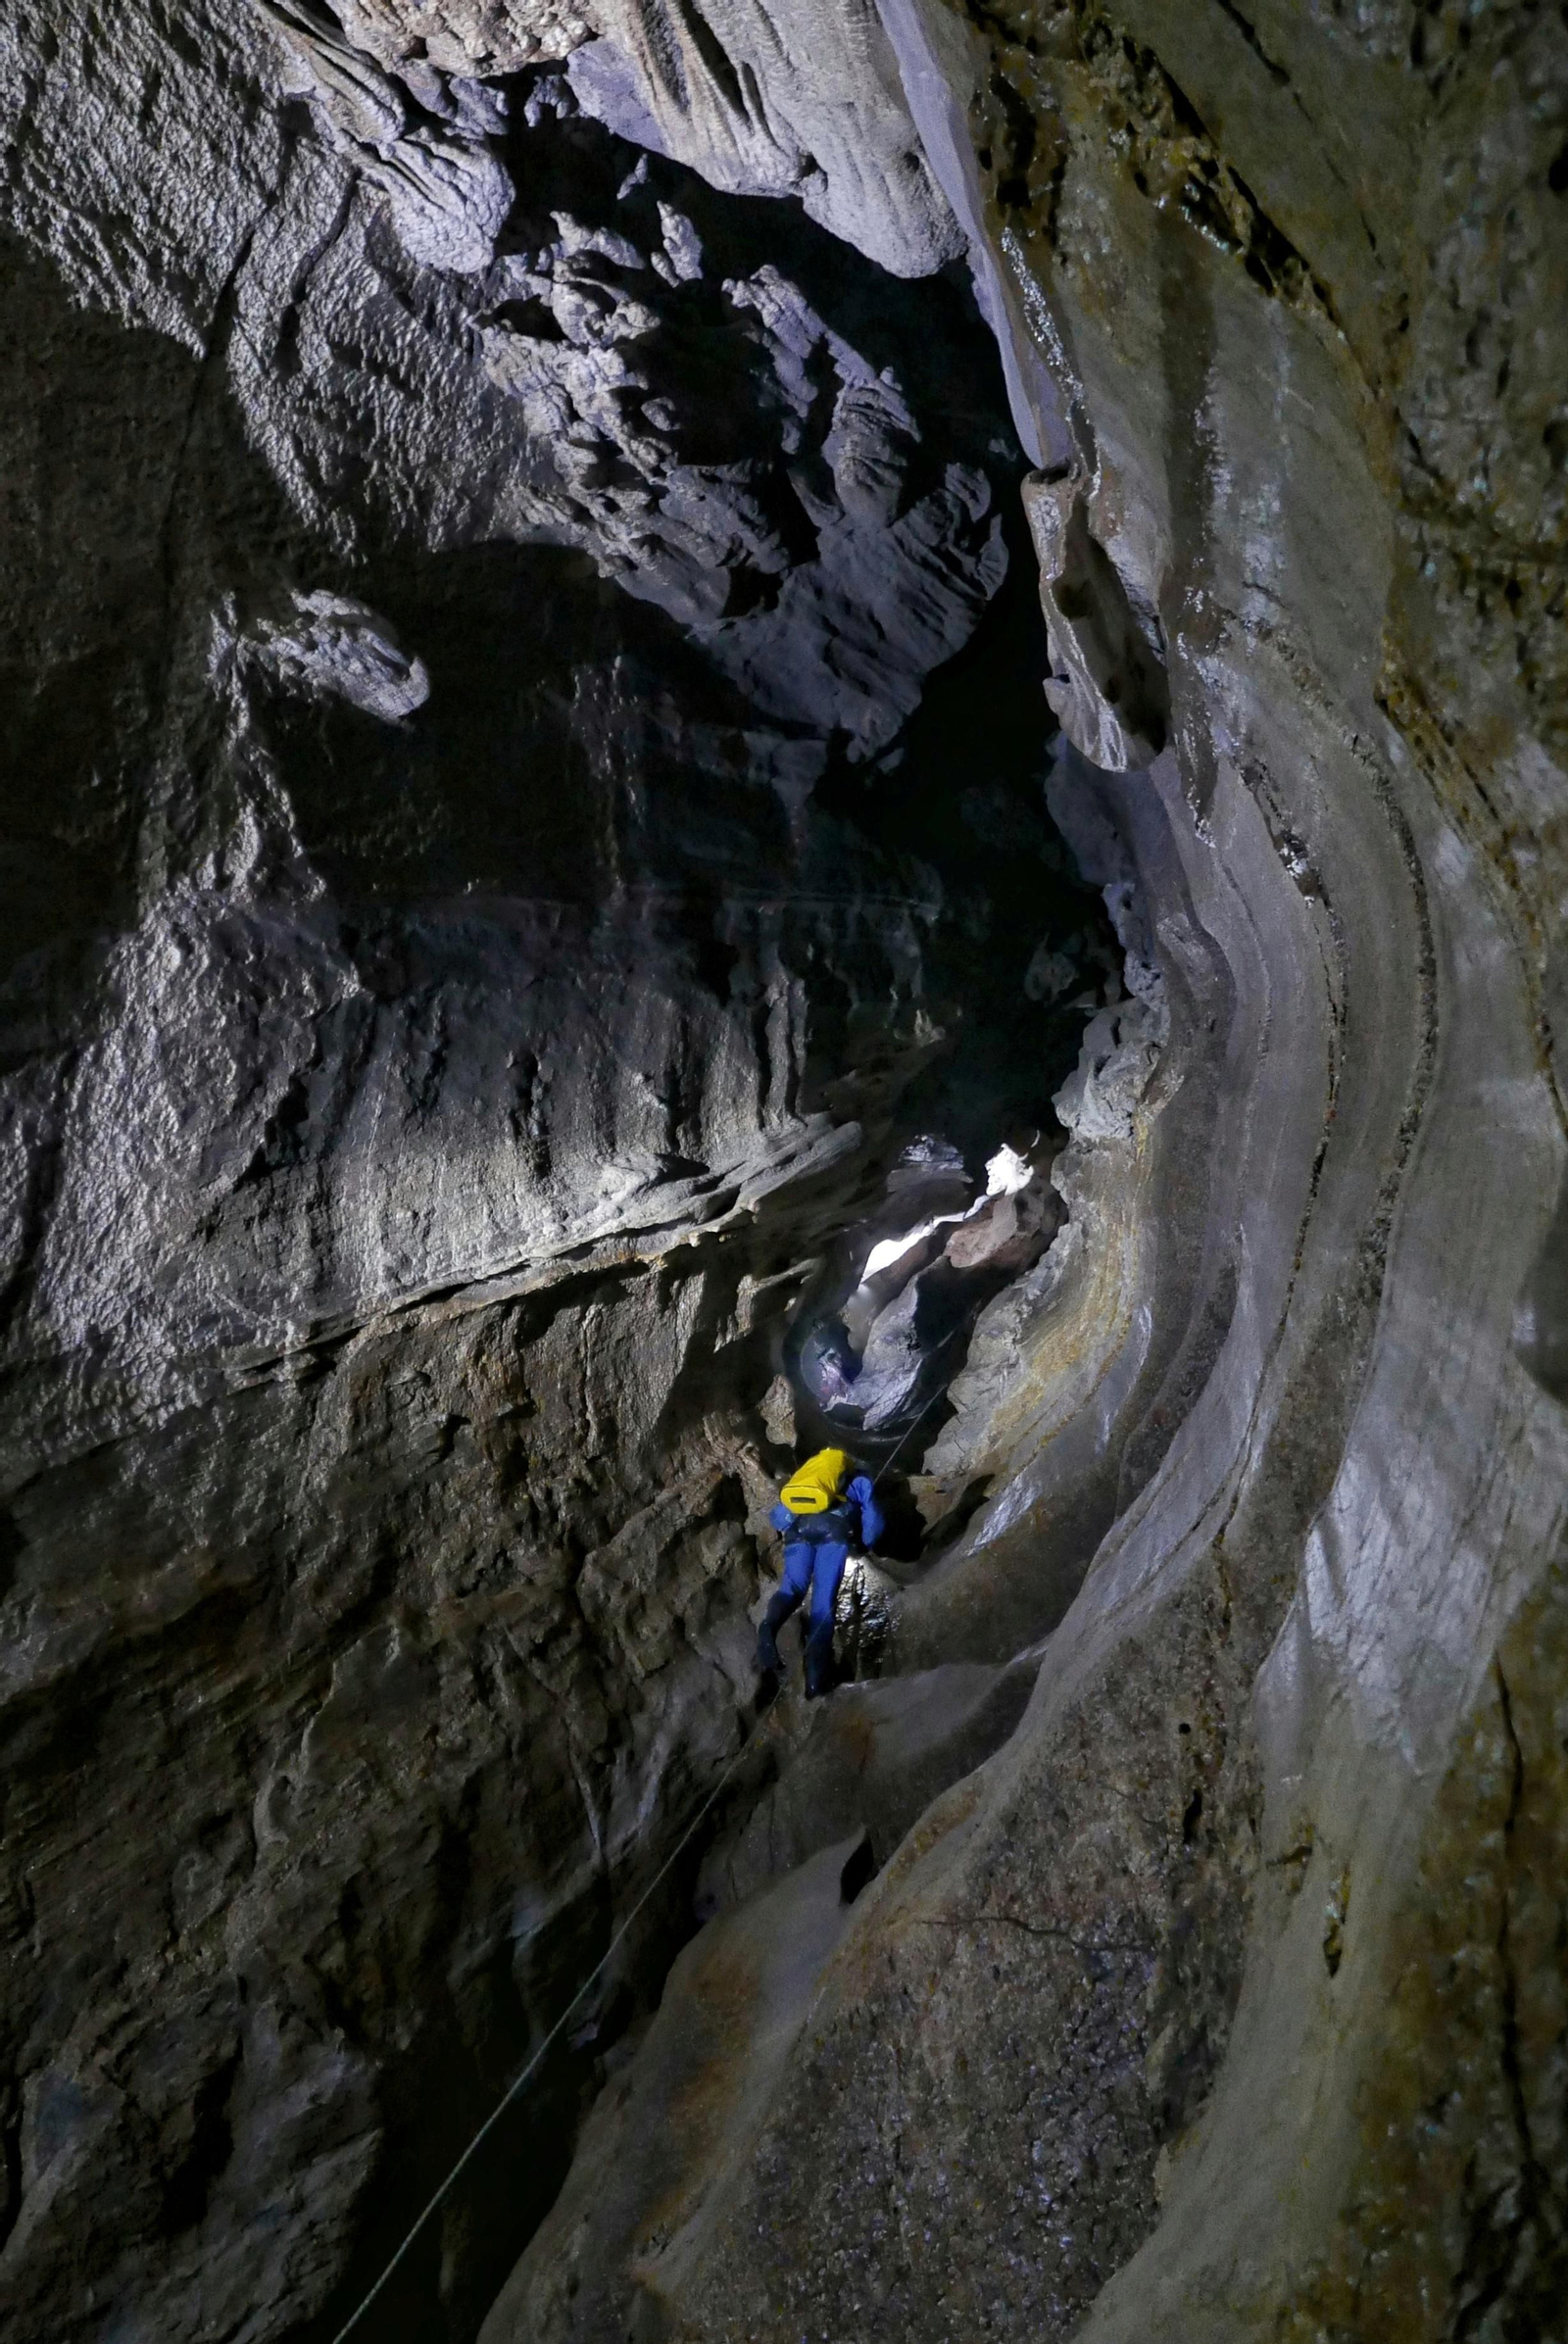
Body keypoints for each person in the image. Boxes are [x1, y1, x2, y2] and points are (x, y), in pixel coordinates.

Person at [755, 1446, 883, 1699]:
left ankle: (769, 1626)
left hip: (798, 1530)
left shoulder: (808, 1478)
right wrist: (865, 1544)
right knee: (822, 1604)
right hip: (832, 1532)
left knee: (792, 1588)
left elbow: (778, 1517)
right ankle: (815, 1681)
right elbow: (874, 1521)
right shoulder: (859, 1478)